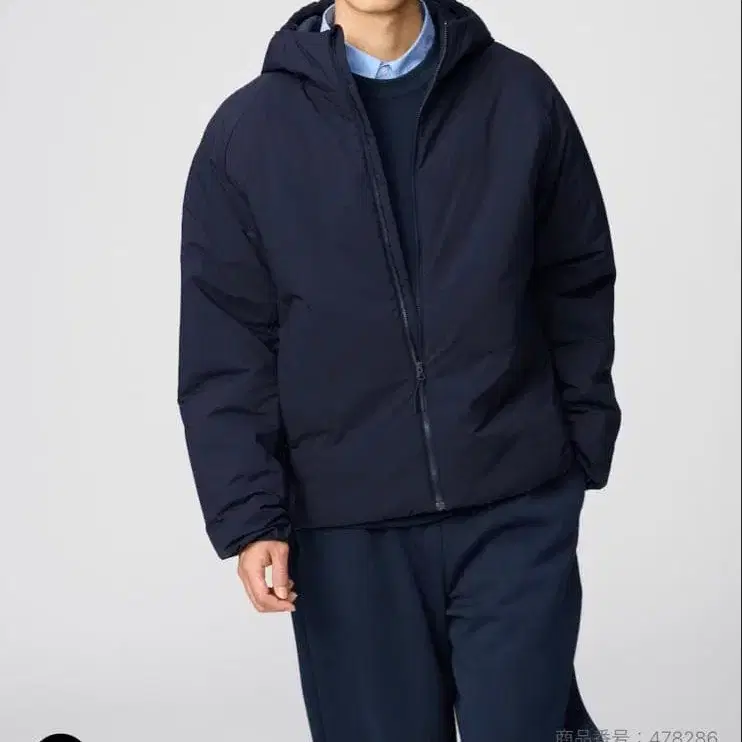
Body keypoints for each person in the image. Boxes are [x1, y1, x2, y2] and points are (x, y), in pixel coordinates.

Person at [177, 0, 621, 739]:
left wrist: (578, 446)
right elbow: (227, 345)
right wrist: (250, 517)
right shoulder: (248, 133)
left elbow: (575, 277)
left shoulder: (517, 96)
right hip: (346, 533)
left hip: (513, 504)